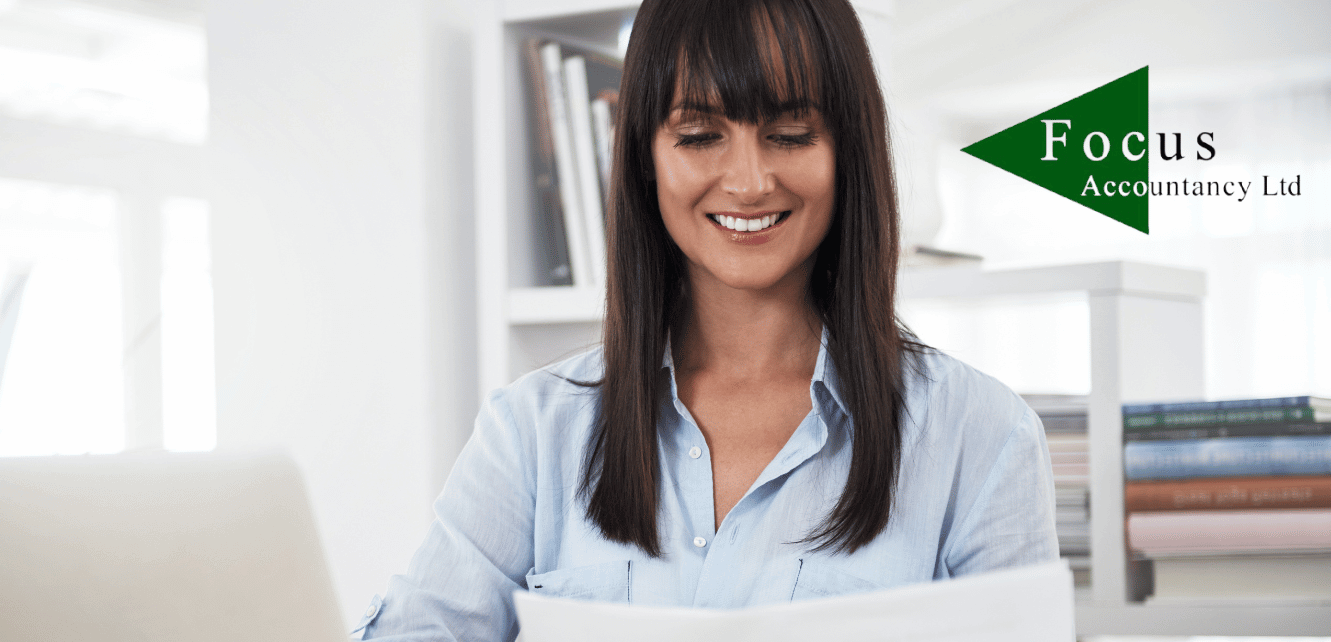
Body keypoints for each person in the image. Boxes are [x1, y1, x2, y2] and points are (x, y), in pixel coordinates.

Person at [355, 0, 1057, 639]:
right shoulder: (531, 434)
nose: (749, 181)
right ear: (645, 160)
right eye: (698, 135)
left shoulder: (981, 437)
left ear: (847, 154)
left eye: (789, 133)